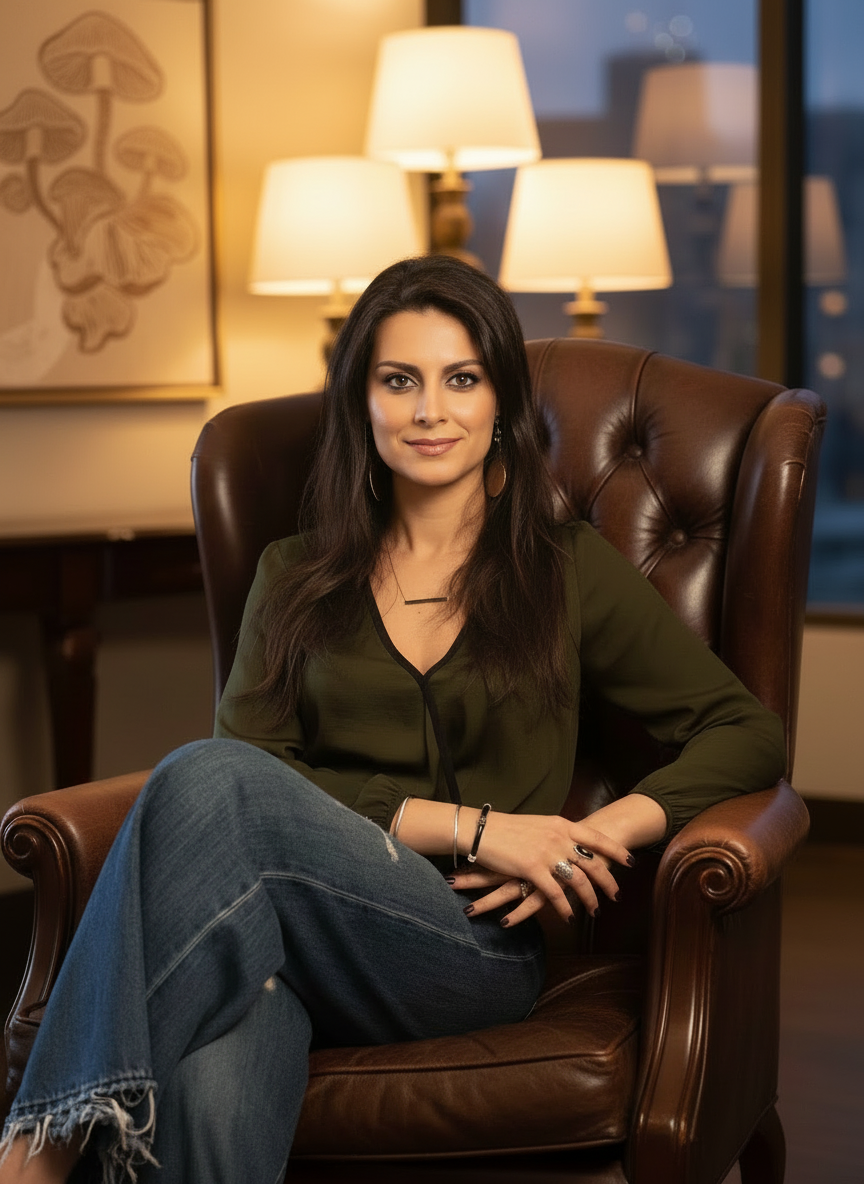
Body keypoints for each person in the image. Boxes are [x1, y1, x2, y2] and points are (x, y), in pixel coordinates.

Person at [0, 255, 786, 1183]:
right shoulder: (294, 575)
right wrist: (467, 825)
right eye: (398, 380)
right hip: (297, 932)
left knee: (201, 776)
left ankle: (35, 1150)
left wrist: (596, 833)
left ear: (500, 401)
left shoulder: (563, 569)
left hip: (469, 950)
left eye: (462, 379)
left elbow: (747, 733)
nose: (429, 411)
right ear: (360, 402)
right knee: (224, 1048)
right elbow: (253, 781)